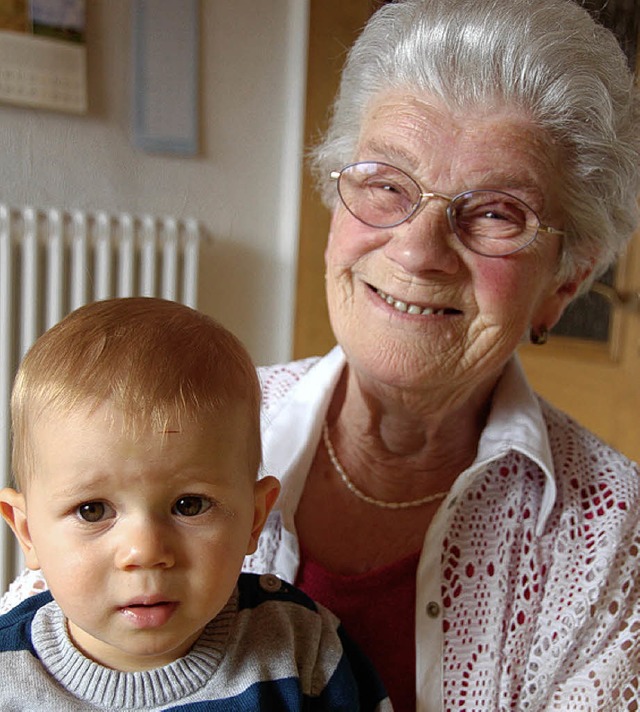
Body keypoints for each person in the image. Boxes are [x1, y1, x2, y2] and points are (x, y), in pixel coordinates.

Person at [2, 0, 640, 710]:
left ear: (566, 281)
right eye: (387, 185)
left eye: (495, 212)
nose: (418, 249)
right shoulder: (169, 426)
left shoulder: (614, 542)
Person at [0, 297, 391, 711]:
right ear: (27, 531)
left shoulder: (302, 650)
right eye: (92, 510)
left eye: (189, 505)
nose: (146, 551)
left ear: (255, 518)